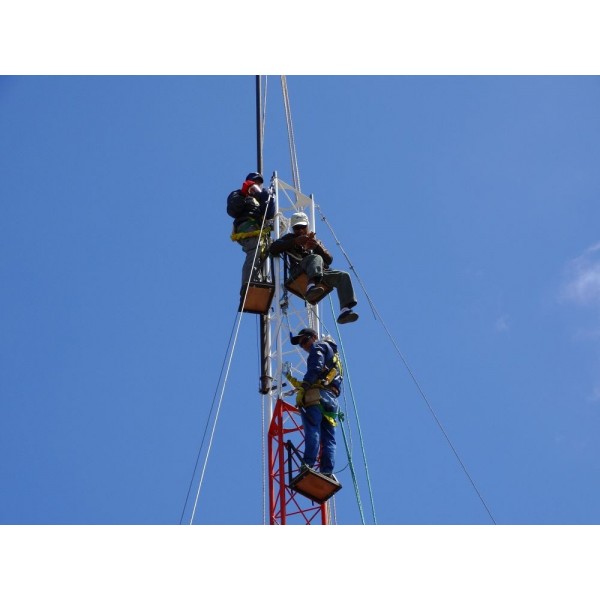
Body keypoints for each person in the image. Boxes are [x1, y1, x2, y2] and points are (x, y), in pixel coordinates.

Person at [269, 211, 359, 324]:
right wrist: (295, 242)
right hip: (299, 271)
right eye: (297, 228)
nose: (300, 230)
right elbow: (273, 248)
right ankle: (311, 287)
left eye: (303, 227)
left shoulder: (315, 241)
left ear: (307, 226)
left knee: (343, 276)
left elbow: (329, 260)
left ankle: (345, 309)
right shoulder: (289, 238)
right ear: (293, 229)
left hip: (318, 274)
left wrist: (317, 246)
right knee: (315, 258)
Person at [290, 327, 342, 480]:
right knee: (329, 439)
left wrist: (304, 387)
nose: (305, 346)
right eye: (301, 344)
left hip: (317, 396)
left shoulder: (319, 347)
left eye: (305, 341)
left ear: (314, 337)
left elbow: (315, 367)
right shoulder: (335, 357)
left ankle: (308, 465)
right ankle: (327, 471)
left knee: (313, 430)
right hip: (331, 400)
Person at [227, 172, 275, 294]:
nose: (257, 185)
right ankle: (249, 284)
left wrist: (267, 197)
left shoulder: (261, 198)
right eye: (255, 182)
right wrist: (243, 193)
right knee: (255, 248)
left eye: (259, 183)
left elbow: (268, 214)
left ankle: (259, 282)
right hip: (247, 227)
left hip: (259, 230)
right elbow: (233, 210)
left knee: (262, 255)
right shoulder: (238, 195)